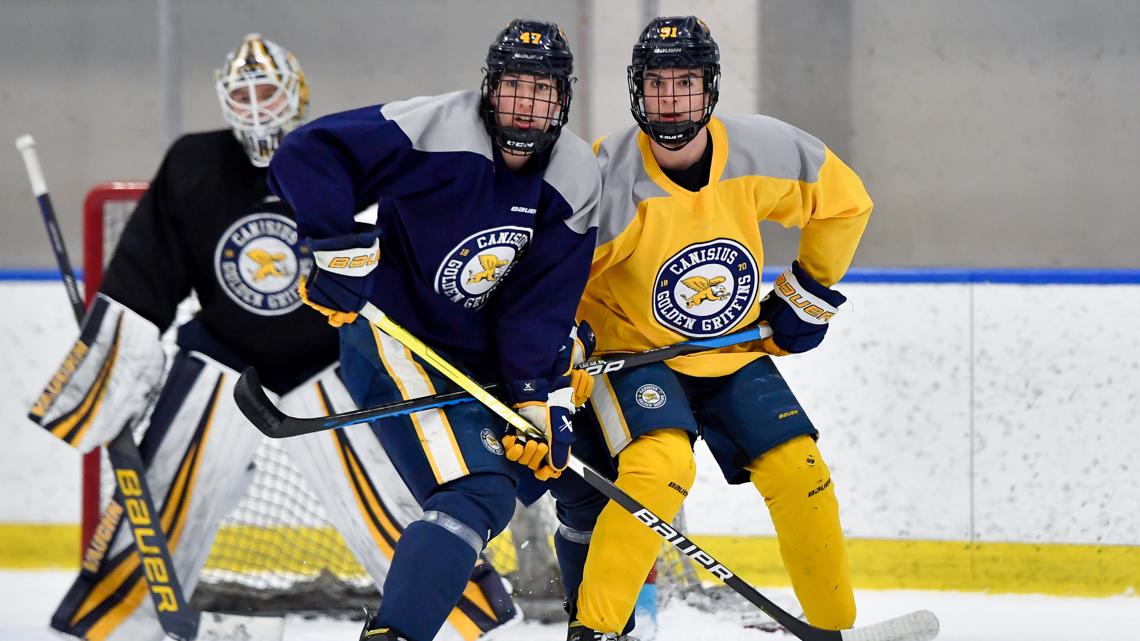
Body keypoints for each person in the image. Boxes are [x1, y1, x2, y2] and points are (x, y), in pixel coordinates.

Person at [28, 34, 516, 641]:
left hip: (332, 357)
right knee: (159, 491)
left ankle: (455, 611)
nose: (256, 106)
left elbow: (397, 256)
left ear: (297, 94)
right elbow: (143, 275)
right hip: (224, 355)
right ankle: (118, 617)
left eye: (267, 90)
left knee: (391, 499)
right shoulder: (195, 164)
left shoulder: (344, 152)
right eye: (243, 93)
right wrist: (107, 375)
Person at [265, 18, 601, 641]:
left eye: (543, 92)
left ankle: (600, 625)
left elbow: (540, 299)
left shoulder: (576, 176)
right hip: (394, 335)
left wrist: (534, 392)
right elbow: (306, 154)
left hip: (480, 361)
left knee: (572, 476)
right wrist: (342, 250)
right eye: (513, 88)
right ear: (489, 89)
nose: (526, 108)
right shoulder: (435, 126)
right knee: (477, 492)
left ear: (564, 100)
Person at [550, 16, 874, 640]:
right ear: (636, 91)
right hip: (634, 355)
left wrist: (807, 289)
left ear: (711, 89)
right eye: (657, 83)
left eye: (686, 82)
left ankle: (836, 630)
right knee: (660, 468)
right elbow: (553, 272)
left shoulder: (762, 150)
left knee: (799, 469)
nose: (671, 99)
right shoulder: (606, 175)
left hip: (731, 352)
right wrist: (562, 342)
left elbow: (846, 202)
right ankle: (595, 631)